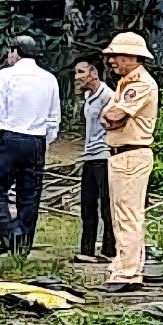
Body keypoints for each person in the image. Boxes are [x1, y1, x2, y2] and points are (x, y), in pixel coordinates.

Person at [0, 35, 60, 257]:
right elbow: (54, 118)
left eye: (9, 52)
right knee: (30, 194)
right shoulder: (49, 79)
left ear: (16, 51)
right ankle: (22, 246)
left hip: (9, 138)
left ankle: (9, 232)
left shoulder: (7, 76)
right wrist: (46, 141)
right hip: (36, 140)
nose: (8, 57)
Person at [100, 32, 160, 294]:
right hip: (120, 153)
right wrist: (110, 118)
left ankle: (128, 272)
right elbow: (110, 117)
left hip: (131, 153)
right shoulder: (126, 83)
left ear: (132, 57)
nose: (112, 60)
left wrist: (111, 118)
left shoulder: (140, 85)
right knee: (120, 214)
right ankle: (122, 266)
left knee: (128, 215)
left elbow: (114, 115)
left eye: (117, 55)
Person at [72, 58, 116, 264]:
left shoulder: (108, 95)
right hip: (90, 155)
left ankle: (111, 249)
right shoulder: (89, 96)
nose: (77, 77)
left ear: (94, 73)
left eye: (81, 72)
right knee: (87, 205)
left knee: (107, 205)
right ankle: (87, 250)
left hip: (105, 156)